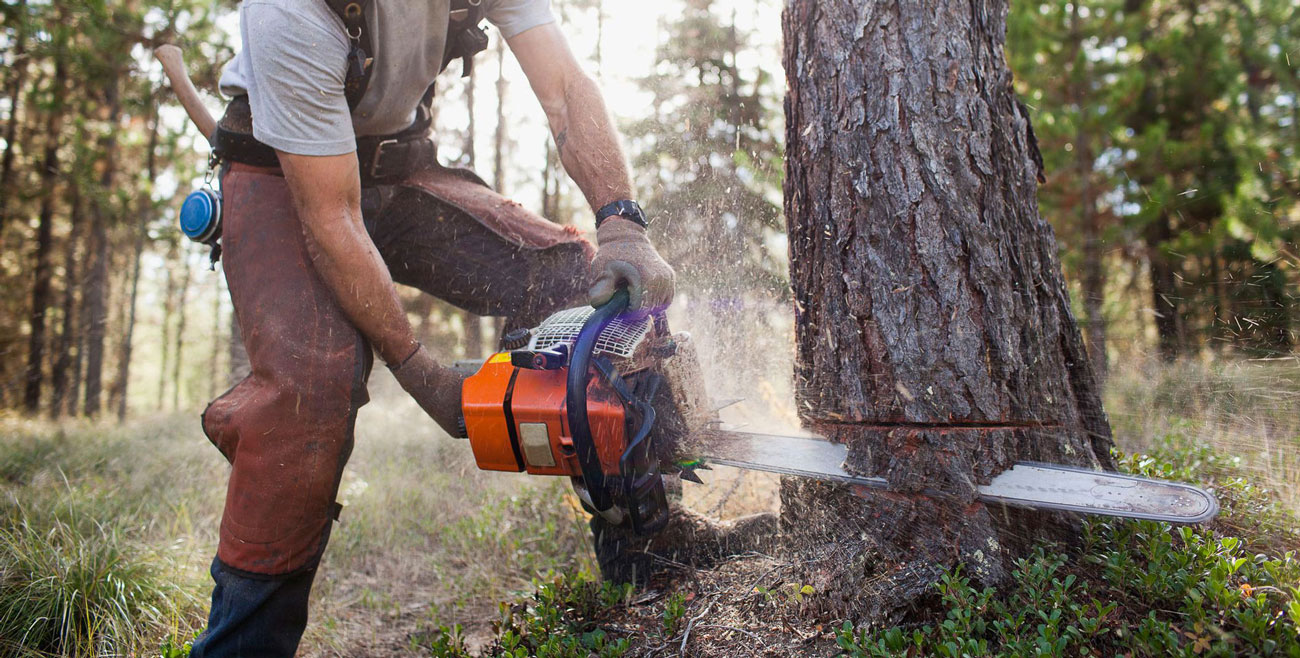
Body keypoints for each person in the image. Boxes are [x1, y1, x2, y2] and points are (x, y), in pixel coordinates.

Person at [190, 1, 678, 655]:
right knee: (312, 389)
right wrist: (422, 372)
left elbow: (564, 87)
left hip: (398, 166)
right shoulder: (289, 12)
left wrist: (621, 221)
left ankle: (647, 546)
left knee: (571, 275)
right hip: (283, 176)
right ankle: (242, 642)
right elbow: (332, 218)